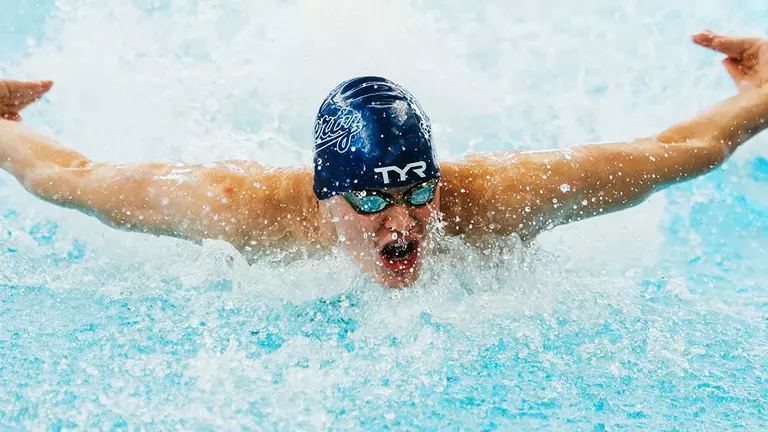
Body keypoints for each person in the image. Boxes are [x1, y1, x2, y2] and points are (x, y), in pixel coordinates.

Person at [1, 31, 767, 288]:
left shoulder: (499, 198)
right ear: (325, 194)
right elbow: (67, 177)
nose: (402, 223)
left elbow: (680, 151)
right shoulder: (239, 208)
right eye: (369, 200)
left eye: (417, 193)